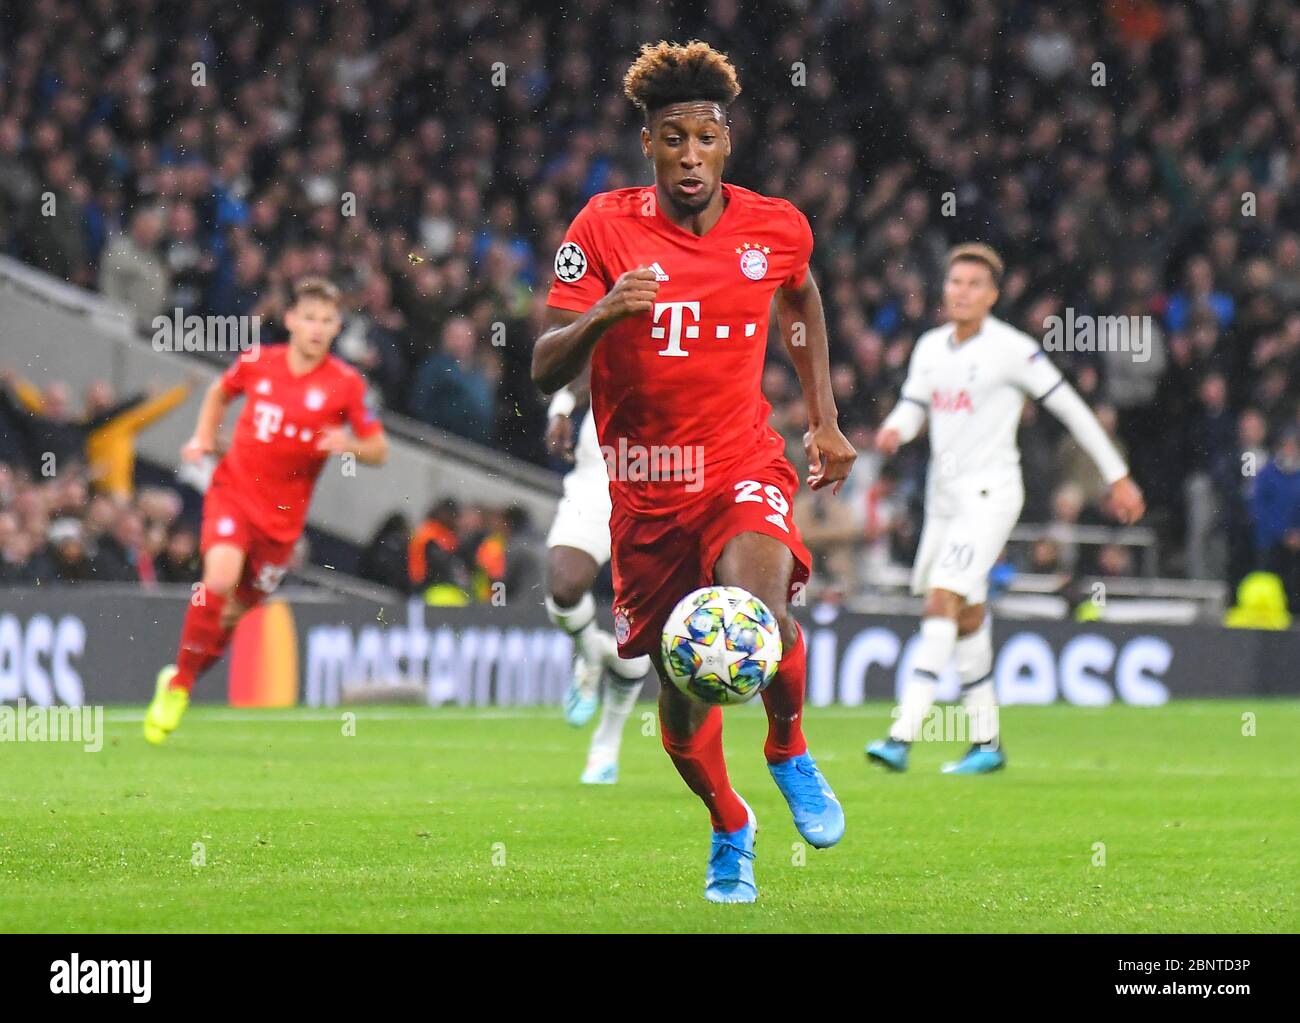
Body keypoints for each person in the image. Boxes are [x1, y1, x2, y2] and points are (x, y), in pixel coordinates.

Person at [531, 41, 856, 903]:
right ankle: (728, 821)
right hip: (642, 486)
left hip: (739, 461)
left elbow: (803, 297)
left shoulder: (775, 226)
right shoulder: (601, 227)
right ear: (649, 144)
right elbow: (541, 366)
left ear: (725, 141)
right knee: (682, 694)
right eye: (671, 137)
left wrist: (822, 420)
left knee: (758, 616)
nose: (688, 155)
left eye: (703, 138)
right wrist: (604, 313)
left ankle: (787, 745)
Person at [864, 244, 1145, 775]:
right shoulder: (929, 347)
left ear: (992, 296)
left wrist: (1117, 475)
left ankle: (902, 734)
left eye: (974, 284)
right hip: (943, 499)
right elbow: (915, 402)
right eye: (955, 282)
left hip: (991, 495)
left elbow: (1071, 409)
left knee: (943, 598)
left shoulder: (1013, 350)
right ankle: (986, 743)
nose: (963, 292)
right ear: (944, 289)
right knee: (966, 612)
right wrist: (895, 429)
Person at [143, 277, 388, 744]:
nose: (317, 328)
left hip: (282, 524)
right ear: (291, 320)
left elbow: (380, 450)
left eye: (327, 320)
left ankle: (182, 677)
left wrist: (349, 444)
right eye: (309, 317)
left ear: (337, 328)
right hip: (234, 491)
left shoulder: (345, 385)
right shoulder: (260, 362)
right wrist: (201, 437)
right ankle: (177, 688)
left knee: (231, 615)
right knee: (217, 579)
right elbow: (220, 391)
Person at [543, 369, 651, 785]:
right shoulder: (628, 309)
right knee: (564, 584)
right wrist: (563, 408)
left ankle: (606, 746)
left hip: (664, 480)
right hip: (598, 475)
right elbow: (589, 361)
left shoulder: (702, 325)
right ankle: (591, 653)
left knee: (643, 625)